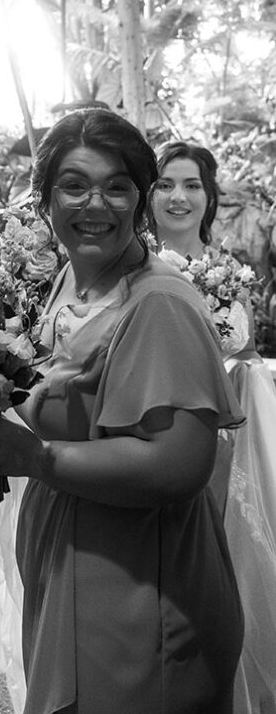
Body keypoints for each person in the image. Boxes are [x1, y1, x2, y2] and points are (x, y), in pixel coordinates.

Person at [0, 108, 245, 714]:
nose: (94, 204)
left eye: (116, 187)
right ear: (45, 200)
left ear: (140, 201)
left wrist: (36, 456)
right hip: (74, 558)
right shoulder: (73, 277)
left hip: (141, 586)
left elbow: (180, 466)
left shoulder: (159, 306)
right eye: (74, 185)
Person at [149, 139, 276, 714]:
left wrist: (238, 361)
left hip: (227, 438)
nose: (179, 196)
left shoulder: (228, 270)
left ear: (209, 195)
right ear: (147, 195)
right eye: (166, 184)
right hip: (153, 430)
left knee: (218, 568)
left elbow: (245, 354)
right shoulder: (132, 264)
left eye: (192, 184)